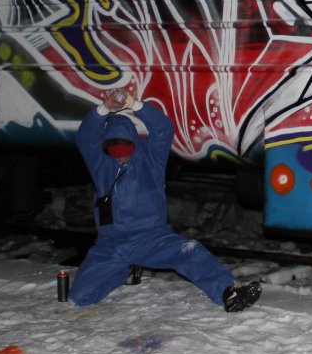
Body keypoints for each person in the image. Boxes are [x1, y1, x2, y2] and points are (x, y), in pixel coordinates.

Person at [68, 88, 261, 312]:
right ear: (106, 147)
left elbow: (163, 128)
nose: (121, 154)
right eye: (114, 148)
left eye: (125, 146)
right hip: (109, 244)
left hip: (149, 237)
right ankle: (123, 272)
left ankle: (228, 291)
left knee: (190, 251)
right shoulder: (101, 164)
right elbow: (85, 137)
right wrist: (103, 109)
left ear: (134, 142)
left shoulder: (151, 159)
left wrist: (134, 104)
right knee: (79, 297)